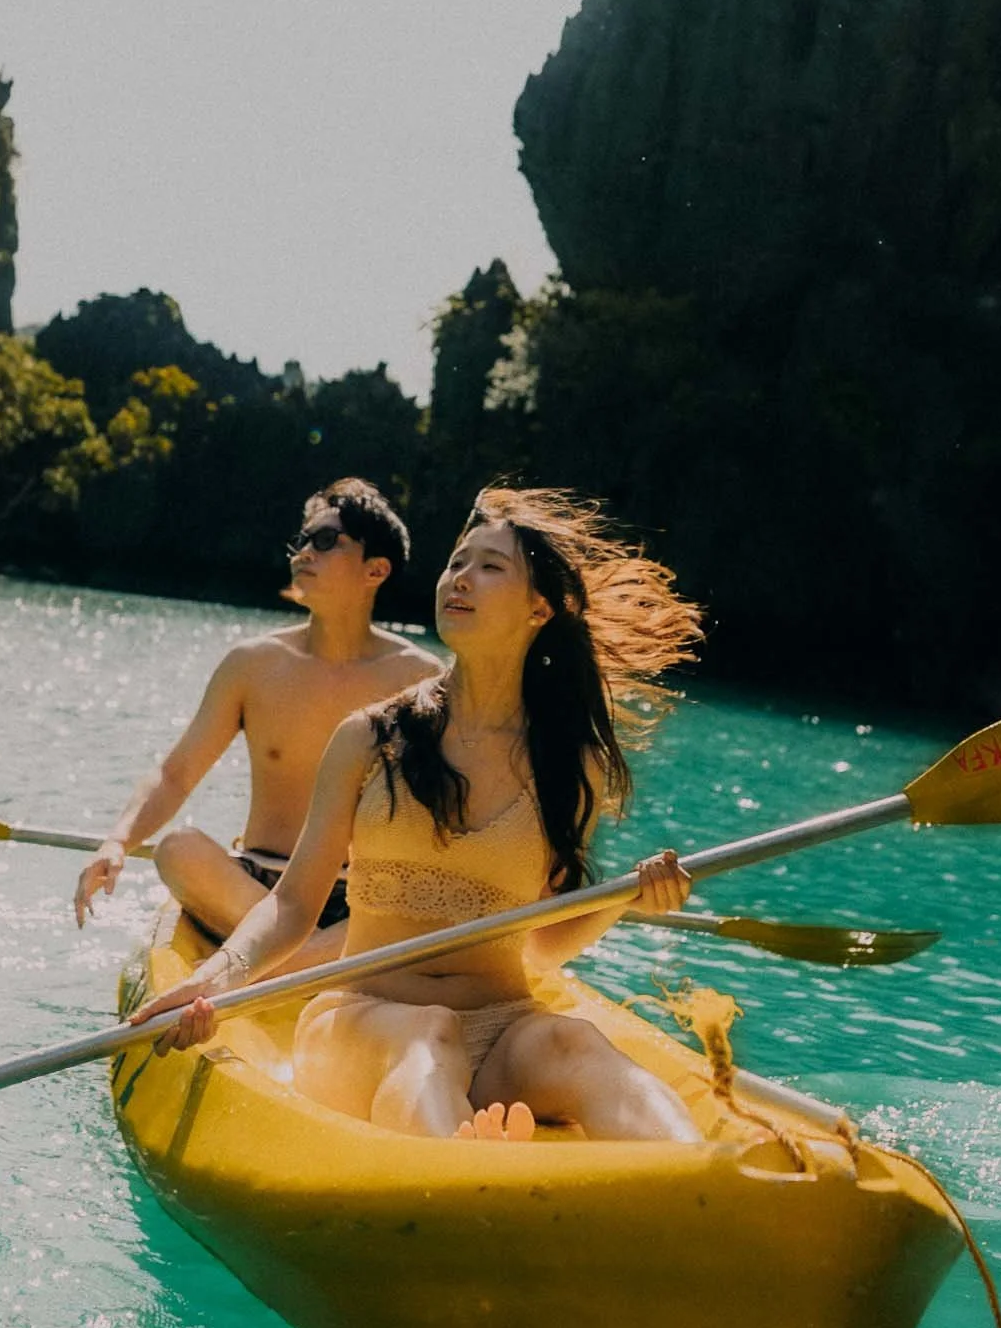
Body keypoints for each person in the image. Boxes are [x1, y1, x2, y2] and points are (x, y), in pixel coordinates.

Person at [130, 488, 705, 1145]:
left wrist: (623, 899)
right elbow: (291, 907)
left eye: (489, 567)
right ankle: (471, 1178)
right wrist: (211, 980)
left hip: (501, 1025)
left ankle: (708, 1179)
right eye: (457, 561)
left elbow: (539, 942)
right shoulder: (369, 738)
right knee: (428, 1035)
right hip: (365, 1020)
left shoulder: (572, 762)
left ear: (538, 608)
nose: (459, 577)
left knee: (576, 1043)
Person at [73, 479, 441, 949]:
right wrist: (116, 843)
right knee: (176, 849)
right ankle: (304, 957)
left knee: (425, 899)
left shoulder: (419, 677)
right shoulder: (252, 664)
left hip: (362, 897)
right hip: (255, 887)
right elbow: (176, 774)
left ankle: (273, 956)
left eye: (326, 541)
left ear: (376, 570)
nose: (304, 552)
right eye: (302, 540)